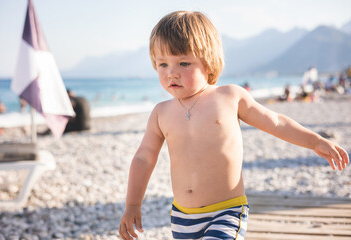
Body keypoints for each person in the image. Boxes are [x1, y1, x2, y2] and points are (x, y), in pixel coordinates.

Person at [119, 11, 349, 240]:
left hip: (226, 211)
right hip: (182, 218)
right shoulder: (161, 112)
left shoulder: (229, 97)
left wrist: (315, 141)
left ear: (208, 63)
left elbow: (276, 122)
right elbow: (144, 158)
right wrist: (132, 204)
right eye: (162, 64)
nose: (172, 73)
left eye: (183, 62)